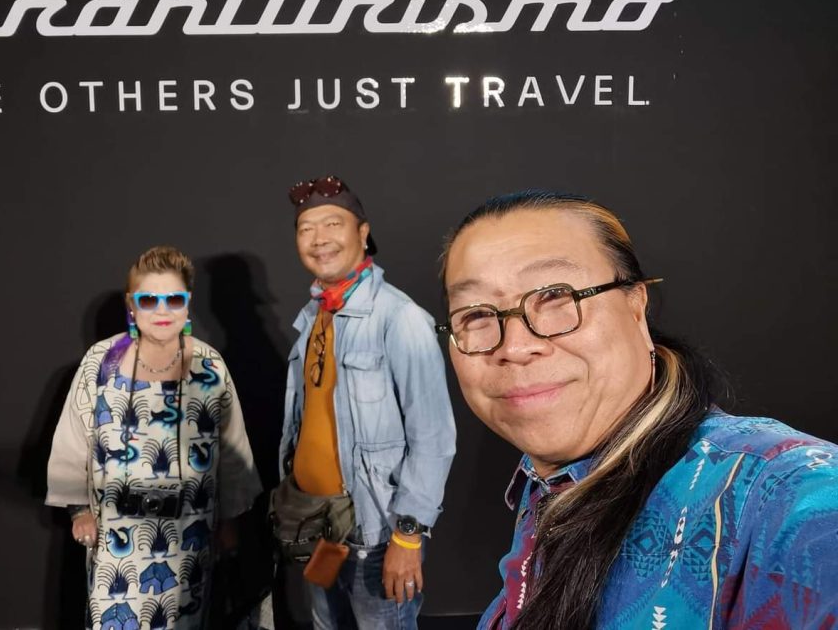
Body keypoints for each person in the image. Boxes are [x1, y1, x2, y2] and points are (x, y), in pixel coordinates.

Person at [438, 190, 838, 629]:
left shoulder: (780, 490)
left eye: (555, 297)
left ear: (636, 306)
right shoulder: (546, 486)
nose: (514, 347)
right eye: (475, 315)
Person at [46, 246, 263, 630]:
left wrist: (230, 520)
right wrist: (79, 510)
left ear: (187, 303)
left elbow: (232, 449)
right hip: (117, 535)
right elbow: (73, 439)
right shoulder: (101, 362)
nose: (162, 310)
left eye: (173, 299)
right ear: (132, 305)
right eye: (149, 300)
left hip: (191, 533)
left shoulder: (210, 366)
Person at [277, 175, 457, 629]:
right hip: (318, 526)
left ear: (362, 232)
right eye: (306, 229)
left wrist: (408, 536)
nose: (319, 239)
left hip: (375, 536)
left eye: (332, 224)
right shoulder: (313, 317)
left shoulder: (401, 318)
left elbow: (433, 437)